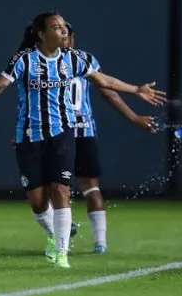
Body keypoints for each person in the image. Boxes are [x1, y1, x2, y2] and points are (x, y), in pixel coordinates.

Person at [0, 11, 166, 268]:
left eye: (64, 27)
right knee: (38, 201)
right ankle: (53, 236)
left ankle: (62, 253)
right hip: (29, 137)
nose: (64, 31)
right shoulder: (24, 60)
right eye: (56, 27)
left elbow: (103, 80)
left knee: (62, 189)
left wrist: (136, 89)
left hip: (63, 133)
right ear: (41, 34)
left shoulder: (74, 59)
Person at [64, 22, 158, 254]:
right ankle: (100, 242)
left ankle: (65, 229)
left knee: (51, 184)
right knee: (90, 187)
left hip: (58, 132)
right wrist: (134, 117)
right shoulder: (86, 59)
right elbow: (107, 92)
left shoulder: (43, 61)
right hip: (84, 130)